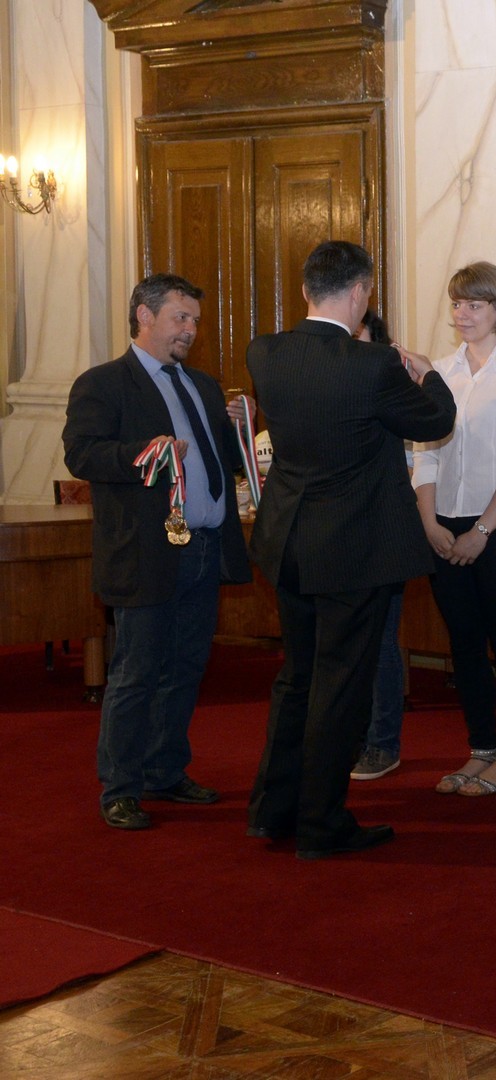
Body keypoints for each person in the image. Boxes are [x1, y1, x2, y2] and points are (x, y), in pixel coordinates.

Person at [246, 240, 454, 858]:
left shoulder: (265, 352)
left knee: (297, 678)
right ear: (361, 292)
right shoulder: (373, 366)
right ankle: (321, 824)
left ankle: (273, 811)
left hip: (288, 542)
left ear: (306, 290)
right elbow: (434, 421)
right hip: (353, 550)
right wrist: (427, 372)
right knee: (340, 686)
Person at [63, 273, 252, 830]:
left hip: (204, 547)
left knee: (186, 668)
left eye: (194, 320)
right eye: (180, 318)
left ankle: (165, 771)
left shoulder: (203, 385)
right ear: (144, 316)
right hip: (145, 551)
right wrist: (144, 453)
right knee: (136, 672)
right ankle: (120, 788)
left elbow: (223, 463)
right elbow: (82, 454)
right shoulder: (104, 383)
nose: (190, 330)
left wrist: (240, 429)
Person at [416, 262, 496, 797]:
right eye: (457, 304)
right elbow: (426, 453)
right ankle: (480, 749)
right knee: (464, 645)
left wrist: (482, 531)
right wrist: (429, 522)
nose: (462, 314)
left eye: (474, 304)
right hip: (443, 525)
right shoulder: (440, 373)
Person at [350, 309, 409, 782]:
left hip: (384, 533)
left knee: (381, 643)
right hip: (339, 536)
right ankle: (350, 736)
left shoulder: (394, 391)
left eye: (359, 339)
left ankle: (382, 742)